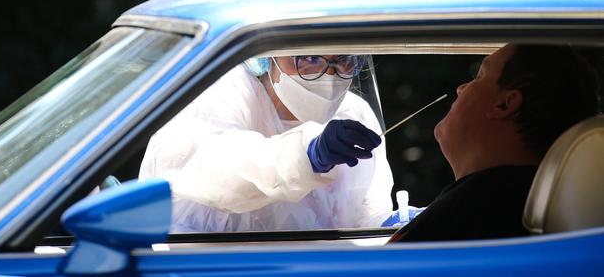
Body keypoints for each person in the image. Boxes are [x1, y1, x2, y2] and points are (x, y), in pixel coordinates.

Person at [139, 53, 394, 232]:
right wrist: (307, 155)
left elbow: (368, 216)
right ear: (271, 55)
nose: (329, 75)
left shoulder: (353, 113)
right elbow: (213, 170)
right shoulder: (219, 95)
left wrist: (392, 225)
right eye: (311, 59)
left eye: (344, 60)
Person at [389, 44, 600, 242]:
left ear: (504, 104)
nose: (461, 88)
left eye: (479, 76)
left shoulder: (476, 209)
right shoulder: (516, 199)